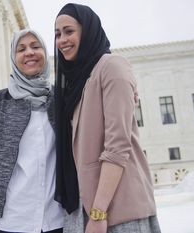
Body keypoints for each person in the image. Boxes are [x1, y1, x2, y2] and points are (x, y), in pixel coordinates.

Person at [54, 3, 161, 233]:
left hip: (118, 210)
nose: (61, 40)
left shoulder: (112, 66)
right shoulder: (74, 83)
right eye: (57, 34)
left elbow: (117, 145)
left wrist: (98, 212)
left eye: (69, 31)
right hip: (84, 209)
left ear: (88, 30)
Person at [0, 29, 65, 233]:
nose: (29, 52)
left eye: (35, 46)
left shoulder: (62, 99)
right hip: (10, 222)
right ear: (14, 58)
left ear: (45, 53)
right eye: (21, 49)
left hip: (57, 221)